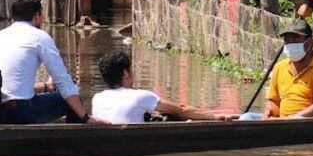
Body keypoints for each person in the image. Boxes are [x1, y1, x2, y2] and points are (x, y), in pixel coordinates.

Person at [0, 0, 93, 124]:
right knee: (74, 100)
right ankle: (71, 141)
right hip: (22, 110)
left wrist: (45, 87)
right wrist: (86, 117)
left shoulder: (0, 36)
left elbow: (12, 85)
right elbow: (63, 81)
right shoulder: (39, 37)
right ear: (37, 16)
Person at [92, 51, 232, 124]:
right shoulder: (141, 96)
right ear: (125, 74)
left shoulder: (97, 99)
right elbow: (181, 110)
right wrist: (215, 116)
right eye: (131, 69)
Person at [264, 18, 313, 119]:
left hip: (310, 122)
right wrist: (269, 111)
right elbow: (274, 101)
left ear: (309, 42)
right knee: (247, 117)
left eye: (295, 38)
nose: (291, 43)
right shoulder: (279, 67)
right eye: (287, 40)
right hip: (283, 122)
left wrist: (292, 118)